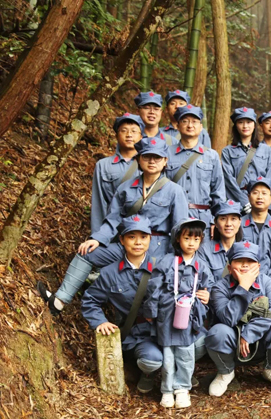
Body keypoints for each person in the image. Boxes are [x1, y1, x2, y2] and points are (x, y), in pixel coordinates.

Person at [38, 136, 188, 314]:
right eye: (147, 156)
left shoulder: (174, 191)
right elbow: (113, 219)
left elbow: (179, 229)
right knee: (87, 253)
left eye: (157, 157)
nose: (152, 161)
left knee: (144, 293)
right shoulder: (126, 188)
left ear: (165, 161)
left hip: (157, 251)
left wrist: (175, 259)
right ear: (139, 159)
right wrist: (97, 239)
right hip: (128, 245)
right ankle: (60, 301)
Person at [81, 215, 162, 393]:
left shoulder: (162, 266)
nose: (138, 242)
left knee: (198, 345)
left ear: (150, 239)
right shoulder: (110, 273)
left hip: (164, 329)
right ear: (122, 240)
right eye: (131, 237)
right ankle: (147, 374)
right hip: (137, 335)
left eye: (143, 237)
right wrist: (100, 321)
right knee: (152, 360)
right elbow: (90, 300)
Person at [205, 241, 271, 397]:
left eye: (250, 261)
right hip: (232, 344)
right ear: (230, 267)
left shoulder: (265, 281)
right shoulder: (220, 287)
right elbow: (228, 319)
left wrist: (249, 333)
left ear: (258, 266)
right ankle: (226, 372)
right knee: (217, 332)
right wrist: (243, 287)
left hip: (260, 340)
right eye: (239, 261)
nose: (245, 265)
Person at [143, 218, 211, 408]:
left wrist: (206, 296)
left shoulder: (201, 265)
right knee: (168, 355)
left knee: (186, 354)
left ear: (201, 240)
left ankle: (182, 388)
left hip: (189, 315)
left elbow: (207, 285)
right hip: (167, 314)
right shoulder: (166, 261)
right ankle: (166, 389)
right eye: (187, 238)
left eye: (196, 239)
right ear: (177, 239)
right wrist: (151, 311)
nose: (191, 243)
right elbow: (154, 287)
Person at [167, 104, 225, 238]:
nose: (190, 125)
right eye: (185, 121)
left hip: (203, 219)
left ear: (201, 126)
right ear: (178, 126)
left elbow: (218, 192)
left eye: (194, 122)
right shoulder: (167, 154)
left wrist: (217, 219)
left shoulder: (211, 156)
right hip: (173, 218)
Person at [90, 113, 143, 234]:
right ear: (116, 135)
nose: (129, 135)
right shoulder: (103, 165)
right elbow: (99, 203)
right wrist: (98, 235)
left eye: (134, 131)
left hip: (141, 229)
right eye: (124, 130)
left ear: (141, 136)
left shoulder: (149, 164)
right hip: (113, 229)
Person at [222, 107, 271, 208]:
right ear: (235, 126)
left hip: (260, 201)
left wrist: (264, 201)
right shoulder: (227, 151)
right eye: (241, 122)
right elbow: (228, 180)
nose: (245, 126)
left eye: (249, 122)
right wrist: (244, 202)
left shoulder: (266, 150)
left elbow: (270, 178)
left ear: (254, 125)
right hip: (237, 203)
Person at [200, 201, 243, 282]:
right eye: (223, 219)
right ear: (215, 222)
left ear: (239, 222)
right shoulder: (204, 250)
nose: (228, 224)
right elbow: (207, 282)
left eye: (233, 219)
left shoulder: (246, 249)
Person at [241, 176, 271, 244]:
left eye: (264, 193)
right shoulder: (238, 224)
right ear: (248, 197)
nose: (260, 197)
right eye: (255, 193)